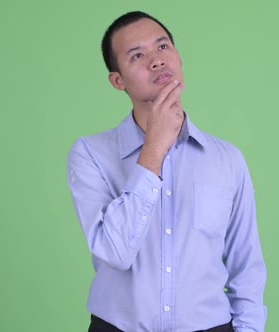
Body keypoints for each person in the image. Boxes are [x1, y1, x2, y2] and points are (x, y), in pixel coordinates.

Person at [67, 11, 267, 332]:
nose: (156, 61)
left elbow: (247, 269)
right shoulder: (90, 154)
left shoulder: (227, 159)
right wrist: (153, 150)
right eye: (137, 55)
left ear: (178, 57)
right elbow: (116, 252)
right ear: (118, 80)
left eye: (162, 47)